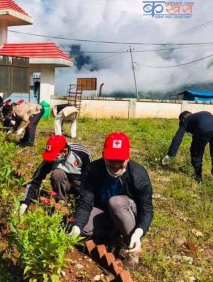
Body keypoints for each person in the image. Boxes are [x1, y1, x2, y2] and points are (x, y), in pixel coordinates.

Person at [70, 132, 153, 269]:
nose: (115, 165)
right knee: (82, 228)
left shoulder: (138, 175)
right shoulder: (93, 170)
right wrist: (77, 227)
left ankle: (132, 248)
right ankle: (113, 230)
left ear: (129, 155)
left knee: (116, 202)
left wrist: (139, 231)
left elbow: (146, 209)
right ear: (103, 155)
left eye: (120, 160)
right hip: (103, 210)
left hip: (127, 211)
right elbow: (85, 203)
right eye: (111, 160)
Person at [19, 134, 92, 215]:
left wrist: (84, 200)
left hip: (80, 182)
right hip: (64, 183)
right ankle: (61, 202)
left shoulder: (82, 153)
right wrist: (25, 202)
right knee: (57, 173)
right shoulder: (51, 157)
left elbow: (90, 177)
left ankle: (79, 200)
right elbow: (36, 179)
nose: (52, 158)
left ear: (64, 151)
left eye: (55, 156)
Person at [162, 110, 213, 183]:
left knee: (196, 153)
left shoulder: (186, 120)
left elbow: (178, 137)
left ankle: (198, 178)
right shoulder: (204, 113)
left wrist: (170, 154)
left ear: (183, 118)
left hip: (203, 130)